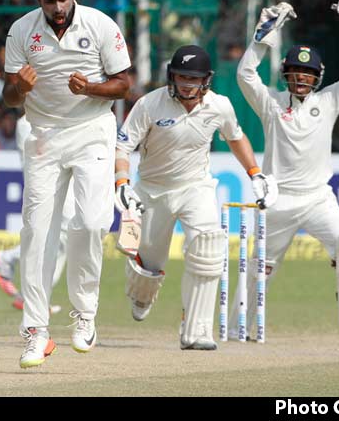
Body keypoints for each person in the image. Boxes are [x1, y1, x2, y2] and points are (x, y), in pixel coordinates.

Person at [3, 0, 131, 368]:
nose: (58, 8)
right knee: (37, 230)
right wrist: (18, 88)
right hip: (43, 134)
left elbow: (125, 83)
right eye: (50, 1)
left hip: (92, 128)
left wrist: (91, 88)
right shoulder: (22, 31)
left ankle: (85, 314)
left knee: (92, 223)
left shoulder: (99, 24)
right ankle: (36, 332)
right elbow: (9, 96)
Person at [115, 45, 277, 350]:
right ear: (171, 76)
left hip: (196, 187)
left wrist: (255, 172)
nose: (187, 84)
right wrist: (122, 182)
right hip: (152, 190)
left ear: (206, 80)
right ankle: (141, 292)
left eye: (193, 78)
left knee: (208, 250)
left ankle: (196, 330)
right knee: (147, 266)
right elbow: (123, 147)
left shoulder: (219, 105)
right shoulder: (150, 104)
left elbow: (235, 136)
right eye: (181, 76)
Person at [235, 0, 339, 340]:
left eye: (308, 74)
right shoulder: (271, 104)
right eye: (296, 72)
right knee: (260, 269)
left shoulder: (329, 102)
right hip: (278, 200)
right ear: (285, 74)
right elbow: (244, 74)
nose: (301, 78)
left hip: (317, 199)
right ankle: (243, 327)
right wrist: (261, 39)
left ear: (317, 77)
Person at [0, 115, 73, 314]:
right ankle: (11, 263)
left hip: (54, 130)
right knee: (63, 226)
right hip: (42, 129)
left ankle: (32, 295)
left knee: (56, 231)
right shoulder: (29, 121)